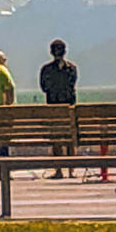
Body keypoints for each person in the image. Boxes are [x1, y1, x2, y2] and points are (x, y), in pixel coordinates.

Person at [37, 39, 77, 178]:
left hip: (53, 107)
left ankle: (59, 169)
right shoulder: (72, 68)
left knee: (56, 137)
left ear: (51, 52)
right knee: (71, 136)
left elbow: (44, 87)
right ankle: (72, 169)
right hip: (68, 108)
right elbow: (72, 84)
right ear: (65, 52)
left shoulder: (46, 70)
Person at [38, 39, 78, 105]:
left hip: (65, 105)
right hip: (54, 105)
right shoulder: (71, 68)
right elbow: (44, 88)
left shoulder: (71, 68)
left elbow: (44, 88)